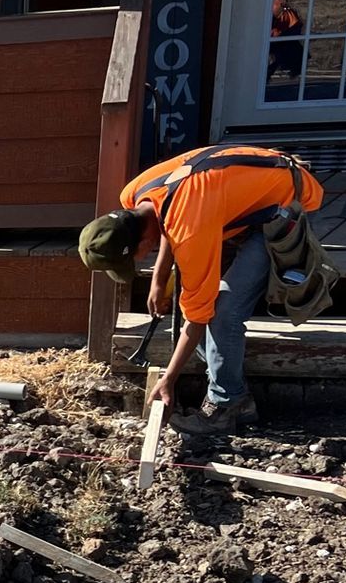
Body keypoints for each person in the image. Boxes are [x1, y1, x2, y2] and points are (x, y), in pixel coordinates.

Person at [78, 144, 325, 437]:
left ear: (141, 241)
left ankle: (227, 405)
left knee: (222, 313)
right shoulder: (135, 195)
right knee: (201, 307)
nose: (140, 260)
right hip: (248, 197)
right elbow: (167, 218)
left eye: (133, 257)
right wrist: (159, 280)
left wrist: (169, 379)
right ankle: (231, 388)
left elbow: (198, 316)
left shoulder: (190, 230)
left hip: (284, 207)